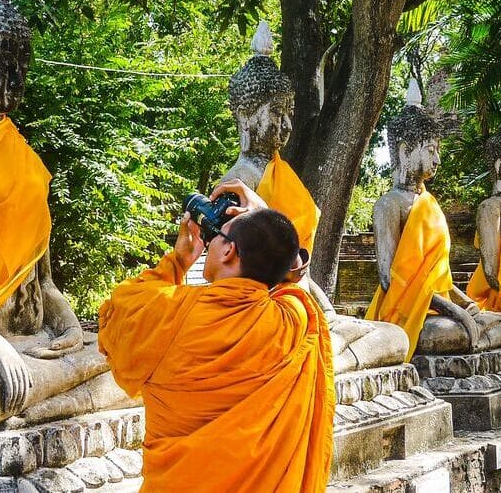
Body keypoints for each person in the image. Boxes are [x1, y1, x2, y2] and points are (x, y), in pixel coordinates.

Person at [97, 180, 335, 492]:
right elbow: (294, 274)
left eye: (217, 237)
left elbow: (120, 307)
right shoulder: (293, 319)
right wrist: (264, 220)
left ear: (229, 250)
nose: (210, 242)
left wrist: (180, 258)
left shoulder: (167, 313)